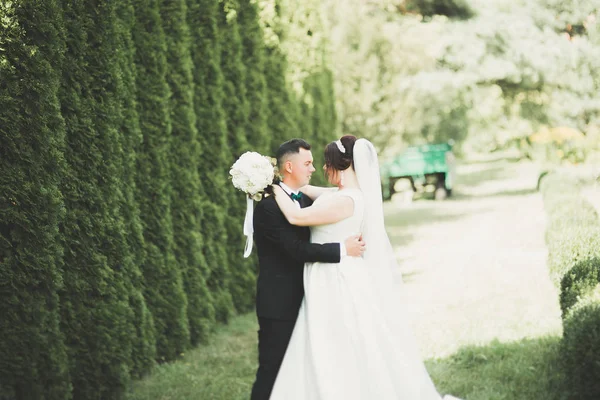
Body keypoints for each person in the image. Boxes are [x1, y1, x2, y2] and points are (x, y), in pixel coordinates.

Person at [268, 135, 461, 400]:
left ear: (342, 166)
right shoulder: (341, 194)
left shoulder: (347, 201)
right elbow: (310, 193)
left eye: (327, 164)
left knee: (340, 340)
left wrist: (270, 186)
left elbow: (296, 215)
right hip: (329, 273)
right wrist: (279, 179)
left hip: (335, 277)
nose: (323, 170)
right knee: (329, 340)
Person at [250, 139, 366, 400]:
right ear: (289, 166)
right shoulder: (268, 208)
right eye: (308, 163)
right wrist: (342, 248)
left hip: (310, 298)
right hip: (279, 304)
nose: (313, 168)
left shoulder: (302, 199)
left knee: (303, 372)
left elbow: (336, 194)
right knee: (272, 371)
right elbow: (296, 250)